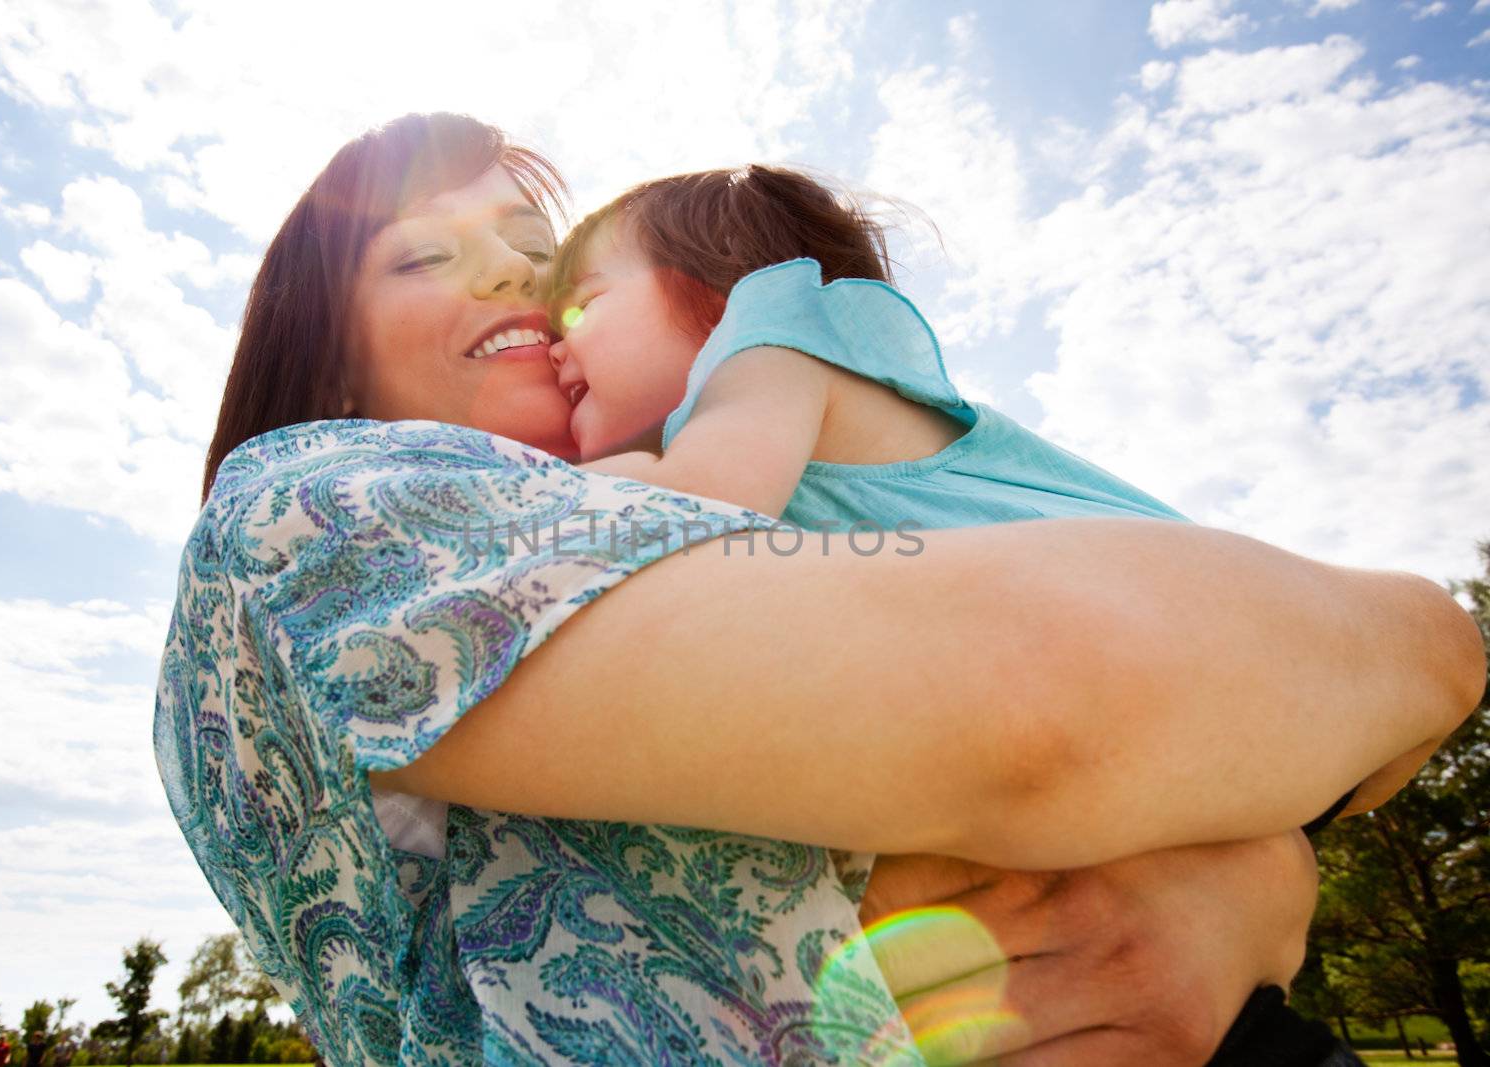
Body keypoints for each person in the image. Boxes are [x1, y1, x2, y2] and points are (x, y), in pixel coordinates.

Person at [156, 112, 1483, 1066]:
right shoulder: (314, 513)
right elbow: (1058, 710)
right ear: (318, 353)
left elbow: (1427, 651)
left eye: (537, 250)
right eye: (423, 257)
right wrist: (1238, 865)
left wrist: (1235, 894)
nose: (515, 274)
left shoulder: (718, 484)